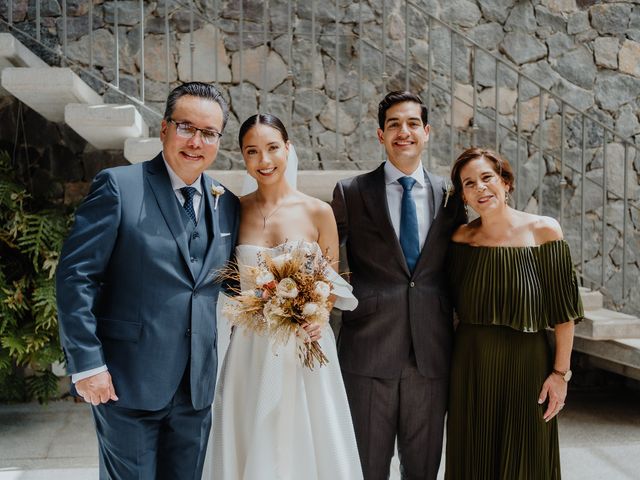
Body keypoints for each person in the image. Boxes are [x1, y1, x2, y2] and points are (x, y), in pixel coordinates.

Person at [56, 82, 239, 479]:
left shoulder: (226, 204)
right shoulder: (120, 187)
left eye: (209, 133)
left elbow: (233, 285)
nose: (196, 141)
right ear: (164, 129)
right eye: (186, 127)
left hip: (195, 390)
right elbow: (76, 277)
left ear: (218, 141)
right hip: (126, 384)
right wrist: (87, 364)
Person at [211, 113, 363, 479]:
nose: (264, 161)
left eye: (272, 148)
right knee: (253, 433)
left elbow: (331, 283)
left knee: (307, 437)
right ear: (243, 158)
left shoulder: (318, 211)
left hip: (304, 344)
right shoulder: (233, 210)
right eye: (253, 152)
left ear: (288, 148)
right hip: (250, 346)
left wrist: (320, 315)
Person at [331, 91, 466, 479]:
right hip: (368, 349)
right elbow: (322, 256)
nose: (403, 132)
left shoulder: (451, 196)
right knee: (367, 467)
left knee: (423, 467)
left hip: (431, 352)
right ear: (380, 135)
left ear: (427, 132)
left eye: (411, 124)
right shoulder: (351, 191)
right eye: (393, 124)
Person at [445, 147, 583, 479]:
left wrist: (560, 376)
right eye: (469, 183)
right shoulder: (461, 239)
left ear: (505, 182)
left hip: (528, 367)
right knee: (472, 462)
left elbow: (564, 315)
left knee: (528, 460)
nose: (480, 188)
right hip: (472, 367)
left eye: (487, 178)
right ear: (463, 196)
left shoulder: (544, 231)